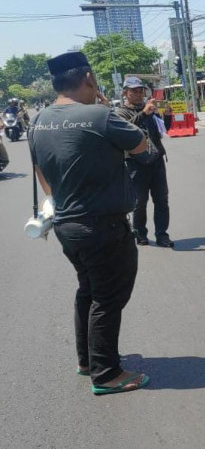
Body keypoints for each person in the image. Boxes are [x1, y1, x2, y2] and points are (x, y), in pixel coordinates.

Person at [28, 51, 151, 395]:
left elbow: (40, 170)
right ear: (87, 79)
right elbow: (142, 147)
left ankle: (87, 360)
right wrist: (104, 109)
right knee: (108, 298)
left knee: (89, 290)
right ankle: (106, 373)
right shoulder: (100, 115)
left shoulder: (38, 120)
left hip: (68, 226)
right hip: (104, 227)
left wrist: (64, 202)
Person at [115, 77, 174, 248]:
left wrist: (167, 116)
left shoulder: (150, 108)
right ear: (125, 93)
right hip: (135, 163)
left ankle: (162, 234)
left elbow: (163, 129)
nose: (139, 94)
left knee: (162, 199)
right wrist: (143, 114)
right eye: (134, 91)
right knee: (140, 202)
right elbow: (125, 129)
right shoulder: (120, 112)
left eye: (141, 90)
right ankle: (140, 232)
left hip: (156, 159)